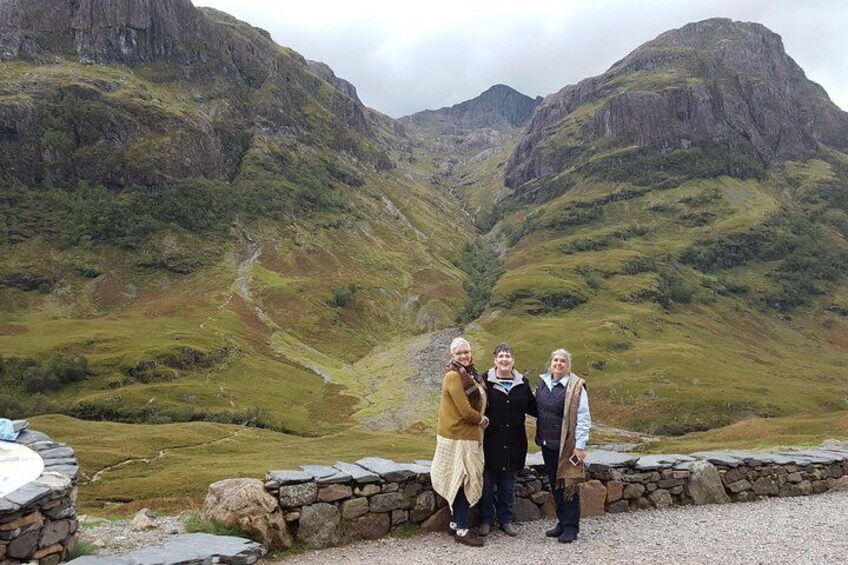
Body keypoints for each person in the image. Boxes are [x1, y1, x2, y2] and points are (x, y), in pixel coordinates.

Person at [430, 337, 489, 547]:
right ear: (452, 356)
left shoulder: (470, 374)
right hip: (459, 436)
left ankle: (456, 523)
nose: (464, 356)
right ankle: (463, 530)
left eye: (466, 352)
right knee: (463, 480)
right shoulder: (454, 376)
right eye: (459, 353)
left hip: (464, 435)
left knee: (459, 478)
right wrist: (482, 419)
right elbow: (464, 410)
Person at [479, 343, 536, 537]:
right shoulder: (484, 381)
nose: (505, 360)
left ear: (513, 360)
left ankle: (506, 520)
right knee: (486, 486)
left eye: (508, 356)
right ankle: (485, 521)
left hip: (514, 443)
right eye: (501, 356)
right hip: (489, 443)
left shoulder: (523, 383)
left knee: (508, 486)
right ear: (495, 360)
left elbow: (534, 408)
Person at [535, 348, 591, 544]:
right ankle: (561, 522)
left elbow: (583, 417)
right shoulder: (543, 384)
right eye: (556, 360)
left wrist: (580, 445)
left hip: (567, 446)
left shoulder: (576, 387)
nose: (558, 363)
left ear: (569, 365)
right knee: (555, 484)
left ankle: (571, 528)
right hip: (547, 443)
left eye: (563, 361)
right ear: (550, 362)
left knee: (569, 485)